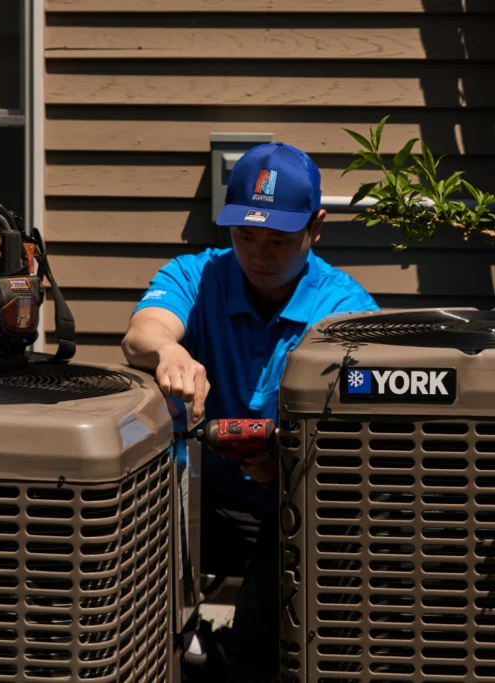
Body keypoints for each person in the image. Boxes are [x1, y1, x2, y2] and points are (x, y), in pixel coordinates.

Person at [122, 141, 379, 682]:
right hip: (200, 497)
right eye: (245, 236)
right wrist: (169, 351)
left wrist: (288, 460)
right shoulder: (198, 275)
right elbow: (143, 332)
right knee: (125, 558)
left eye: (281, 240)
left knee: (271, 617)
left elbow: (361, 435)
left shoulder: (346, 311)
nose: (260, 255)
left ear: (317, 228)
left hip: (297, 507)